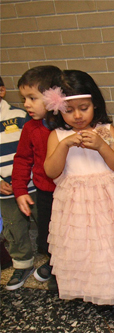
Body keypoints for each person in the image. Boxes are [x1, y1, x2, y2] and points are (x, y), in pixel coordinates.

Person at [43, 70, 114, 308]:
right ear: (58, 109)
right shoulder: (57, 135)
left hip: (108, 201)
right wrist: (64, 146)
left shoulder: (106, 130)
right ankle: (89, 287)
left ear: (94, 103)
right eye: (68, 110)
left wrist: (101, 146)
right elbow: (51, 171)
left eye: (83, 108)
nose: (76, 116)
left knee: (112, 243)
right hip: (76, 205)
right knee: (84, 245)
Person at [9, 66, 62, 291]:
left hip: (70, 193)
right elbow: (22, 160)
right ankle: (55, 264)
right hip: (45, 193)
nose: (26, 104)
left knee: (70, 233)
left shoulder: (66, 125)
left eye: (32, 98)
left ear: (53, 98)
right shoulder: (30, 128)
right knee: (50, 234)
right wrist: (19, 190)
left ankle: (66, 270)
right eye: (24, 99)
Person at [0, 76, 32, 281]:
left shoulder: (20, 116)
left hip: (31, 185)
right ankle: (22, 263)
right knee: (14, 228)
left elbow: (32, 150)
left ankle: (53, 261)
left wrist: (21, 179)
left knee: (47, 224)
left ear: (1, 91)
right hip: (4, 189)